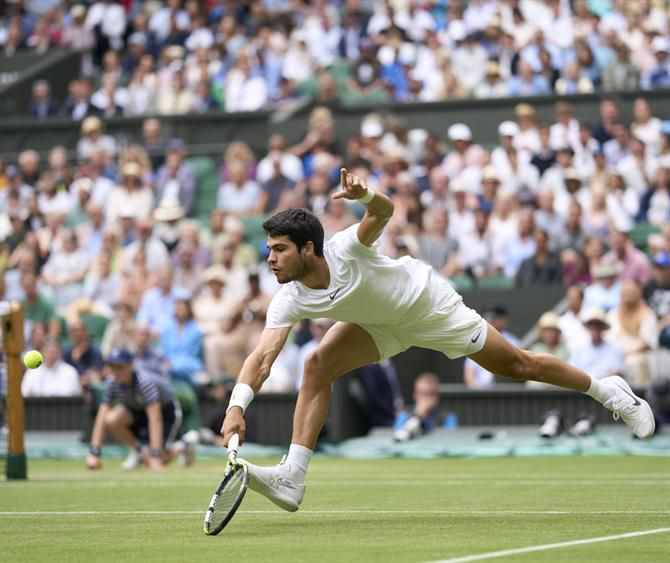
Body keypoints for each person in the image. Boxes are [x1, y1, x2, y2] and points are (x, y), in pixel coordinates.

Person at [221, 168, 655, 513]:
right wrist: (236, 408)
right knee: (317, 365)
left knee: (520, 366)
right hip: (378, 326)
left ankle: (609, 392)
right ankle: (292, 477)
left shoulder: (343, 249)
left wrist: (367, 196)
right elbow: (262, 358)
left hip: (427, 306)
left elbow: (384, 213)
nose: (271, 258)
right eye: (269, 250)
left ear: (309, 249)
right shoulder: (289, 298)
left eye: (279, 249)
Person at [86, 348, 190, 471]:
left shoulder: (144, 382)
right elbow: (102, 416)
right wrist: (94, 453)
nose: (115, 372)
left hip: (165, 411)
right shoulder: (112, 383)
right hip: (137, 408)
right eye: (112, 367)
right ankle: (139, 452)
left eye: (119, 367)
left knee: (159, 460)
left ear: (130, 365)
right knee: (111, 419)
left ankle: (183, 446)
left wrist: (155, 456)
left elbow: (155, 418)